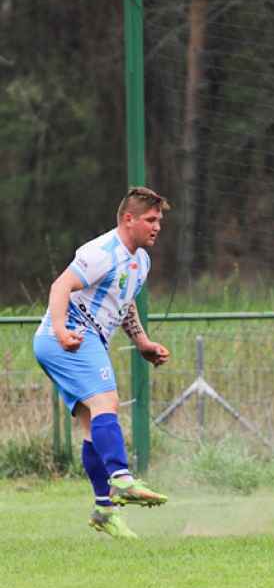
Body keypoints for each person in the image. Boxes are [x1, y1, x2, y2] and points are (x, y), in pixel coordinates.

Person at [33, 186, 173, 539]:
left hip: (80, 338)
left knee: (92, 425)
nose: (157, 227)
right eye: (151, 220)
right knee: (106, 402)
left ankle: (103, 510)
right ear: (129, 219)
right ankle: (122, 480)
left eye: (159, 221)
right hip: (68, 336)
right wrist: (63, 331)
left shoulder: (141, 260)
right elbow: (60, 287)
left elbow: (123, 304)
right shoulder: (101, 252)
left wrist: (142, 342)